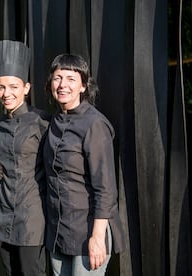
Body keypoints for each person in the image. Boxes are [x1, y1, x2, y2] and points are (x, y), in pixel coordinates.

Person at [43, 54, 125, 275]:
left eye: (71, 78)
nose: (62, 85)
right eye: (58, 78)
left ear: (82, 86)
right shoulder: (54, 122)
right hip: (59, 232)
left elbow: (105, 188)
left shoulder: (94, 124)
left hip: (87, 232)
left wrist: (97, 237)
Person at [0, 40, 50, 276]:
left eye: (13, 87)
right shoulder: (0, 124)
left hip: (31, 217)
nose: (6, 93)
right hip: (2, 212)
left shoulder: (42, 121)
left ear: (26, 88)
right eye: (1, 87)